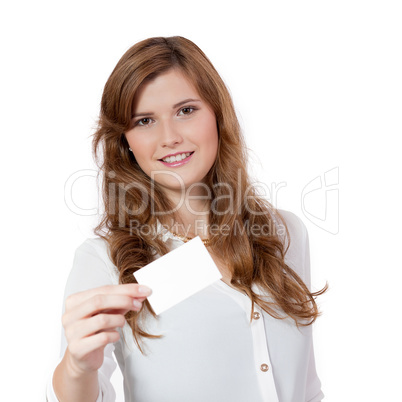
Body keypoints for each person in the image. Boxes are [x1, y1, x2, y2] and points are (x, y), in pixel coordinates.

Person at [47, 36, 326, 402]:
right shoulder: (104, 260)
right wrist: (77, 366)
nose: (170, 137)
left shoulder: (283, 232)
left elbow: (306, 388)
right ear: (125, 140)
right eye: (145, 120)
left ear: (216, 114)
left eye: (186, 111)